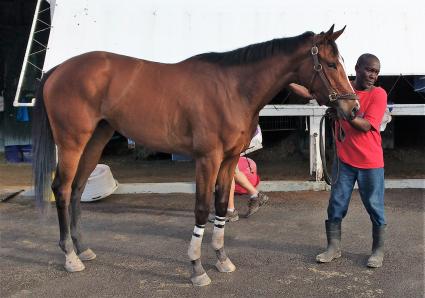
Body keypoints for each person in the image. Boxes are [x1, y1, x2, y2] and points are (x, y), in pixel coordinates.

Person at [316, 53, 388, 268]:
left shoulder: (379, 94)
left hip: (371, 162)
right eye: (369, 70)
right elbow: (315, 94)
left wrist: (341, 113)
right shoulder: (344, 91)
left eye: (376, 72)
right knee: (336, 204)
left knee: (375, 206)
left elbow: (366, 125)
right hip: (344, 160)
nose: (373, 75)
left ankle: (377, 250)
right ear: (357, 68)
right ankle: (333, 247)